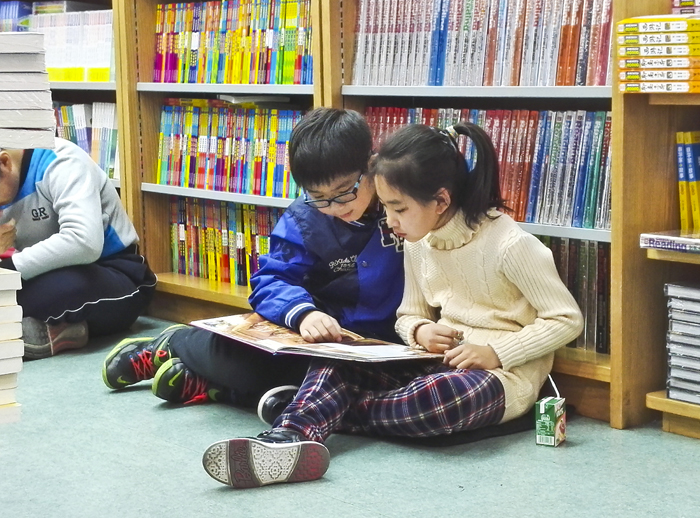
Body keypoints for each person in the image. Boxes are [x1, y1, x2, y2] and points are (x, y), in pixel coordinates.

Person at [200, 121, 584, 489]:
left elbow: (566, 320)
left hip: (501, 375)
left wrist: (496, 352)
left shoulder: (511, 245)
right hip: (434, 361)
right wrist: (420, 329)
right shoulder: (418, 241)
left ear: (441, 200)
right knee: (337, 361)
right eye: (385, 207)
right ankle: (286, 439)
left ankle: (313, 412)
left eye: (398, 209)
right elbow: (409, 314)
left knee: (441, 400)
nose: (390, 221)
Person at [102, 107, 405, 413]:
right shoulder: (305, 219)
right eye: (318, 197)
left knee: (370, 391)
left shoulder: (404, 204)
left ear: (371, 165)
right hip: (321, 337)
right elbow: (271, 281)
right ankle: (174, 344)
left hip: (389, 344)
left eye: (344, 192)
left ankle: (212, 386)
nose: (335, 207)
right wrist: (304, 315)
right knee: (253, 363)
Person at [0, 138, 156, 360]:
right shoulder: (5, 183)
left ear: (4, 163)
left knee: (52, 291)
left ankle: (39, 328)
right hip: (44, 274)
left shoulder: (62, 160)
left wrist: (10, 268)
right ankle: (59, 331)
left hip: (113, 272)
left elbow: (84, 242)